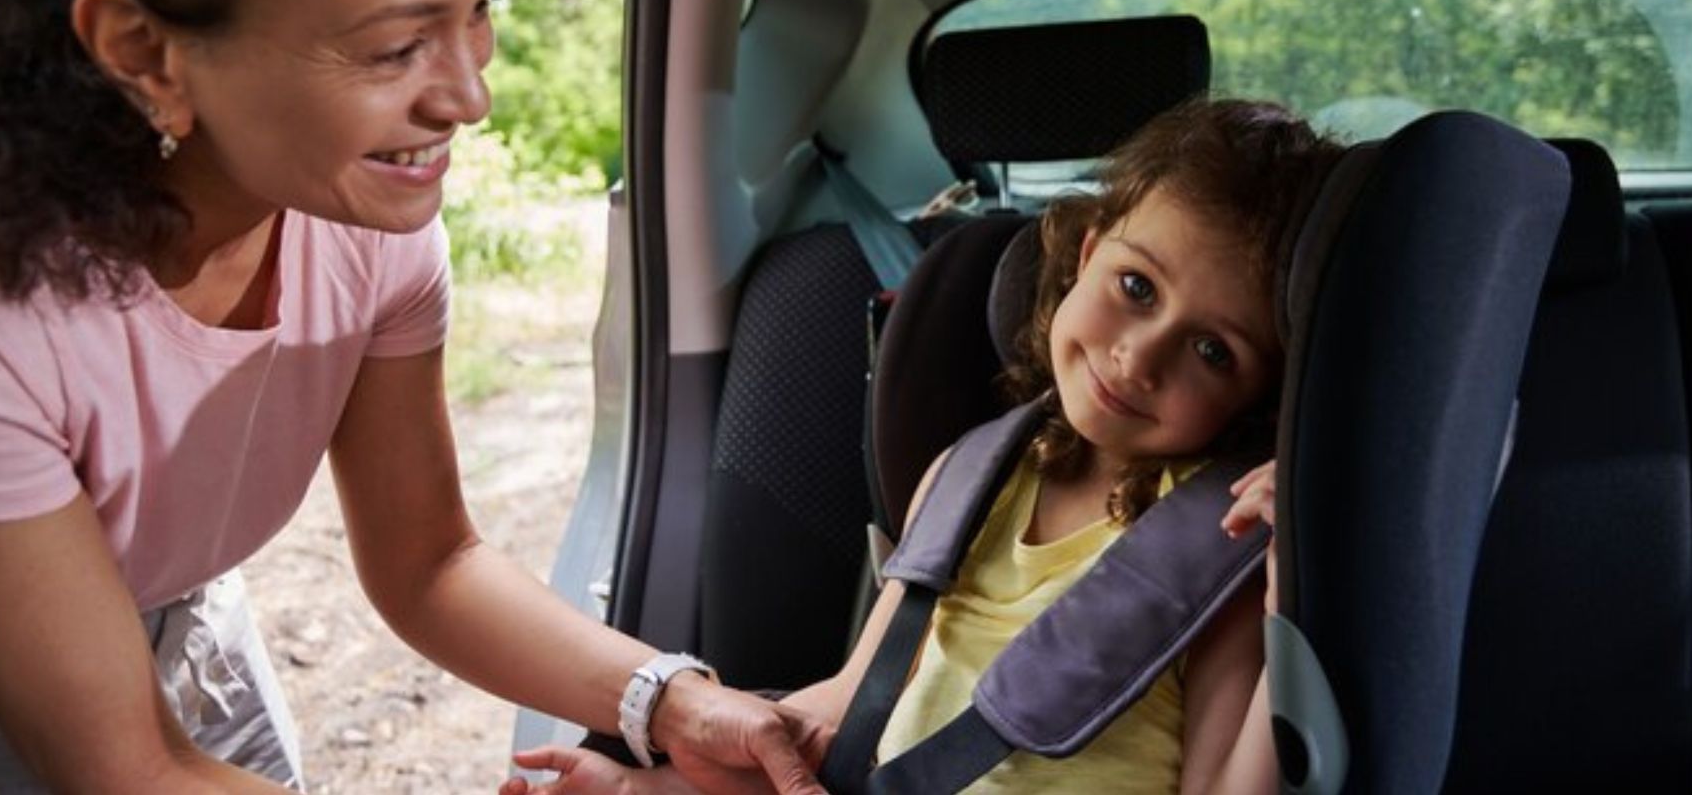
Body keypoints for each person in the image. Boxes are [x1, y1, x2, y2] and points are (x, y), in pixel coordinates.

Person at [0, 0, 827, 791]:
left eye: (483, 6)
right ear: (146, 53)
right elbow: (130, 766)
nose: (471, 97)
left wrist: (673, 701)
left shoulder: (367, 226)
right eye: (396, 46)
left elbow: (430, 560)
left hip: (183, 654)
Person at [506, 99, 1345, 794]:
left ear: (1259, 392)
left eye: (1213, 352)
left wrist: (1289, 601)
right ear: (1087, 254)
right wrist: (650, 787)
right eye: (1135, 287)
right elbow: (846, 715)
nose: (1140, 355)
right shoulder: (967, 474)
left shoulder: (1227, 546)